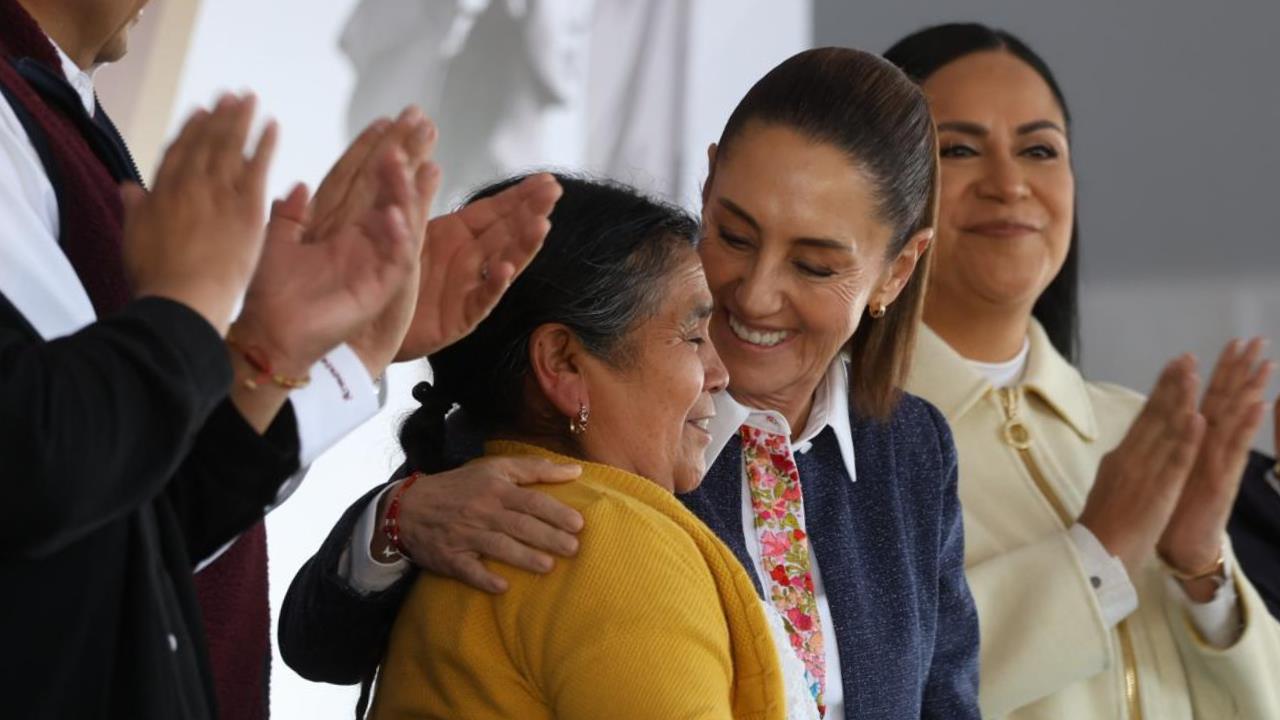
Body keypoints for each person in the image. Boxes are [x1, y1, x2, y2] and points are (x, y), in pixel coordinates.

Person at [281, 47, 982, 719]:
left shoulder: (912, 448)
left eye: (816, 266)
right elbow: (321, 642)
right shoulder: (582, 413)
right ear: (707, 188)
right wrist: (401, 520)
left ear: (897, 269)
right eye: (734, 236)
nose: (756, 295)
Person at [0, 0, 560, 716]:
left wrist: (335, 347)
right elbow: (37, 467)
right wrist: (187, 308)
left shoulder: (50, 103)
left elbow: (132, 523)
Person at [886, 22, 1280, 719]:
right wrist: (1096, 552)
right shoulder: (845, 443)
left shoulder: (1137, 429)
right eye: (960, 150)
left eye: (1040, 149)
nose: (1010, 184)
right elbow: (873, 691)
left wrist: (1203, 571)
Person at [364, 173, 834, 719]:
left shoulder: (478, 512)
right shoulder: (609, 543)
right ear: (563, 363)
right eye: (692, 337)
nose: (720, 374)